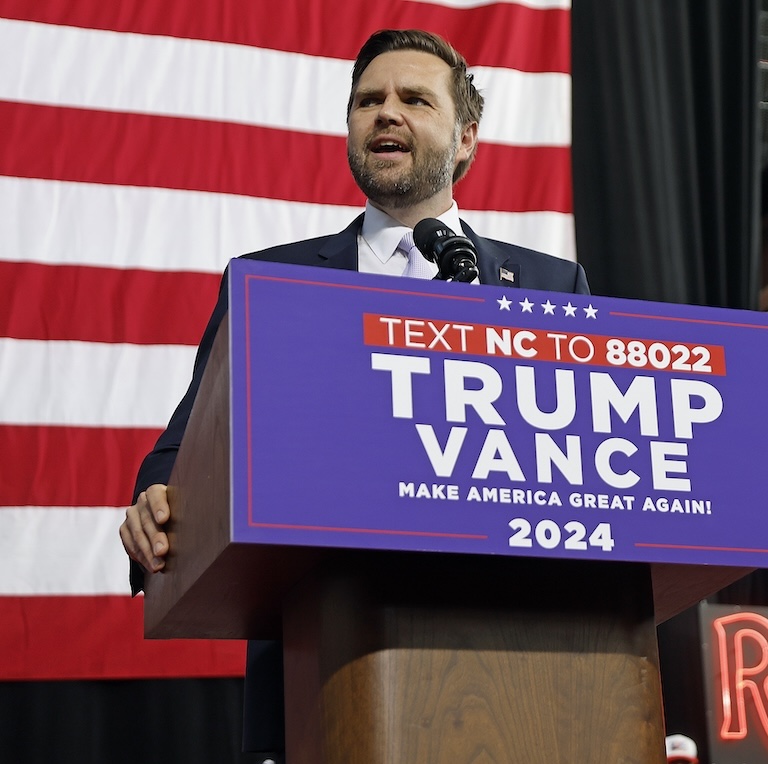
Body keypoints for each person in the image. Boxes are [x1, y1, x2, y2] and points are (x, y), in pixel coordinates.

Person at [117, 28, 589, 757]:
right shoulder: (271, 285)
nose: (385, 112)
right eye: (368, 101)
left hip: (511, 668)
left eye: (414, 99)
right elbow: (186, 448)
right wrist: (155, 496)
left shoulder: (549, 286)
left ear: (465, 138)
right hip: (319, 666)